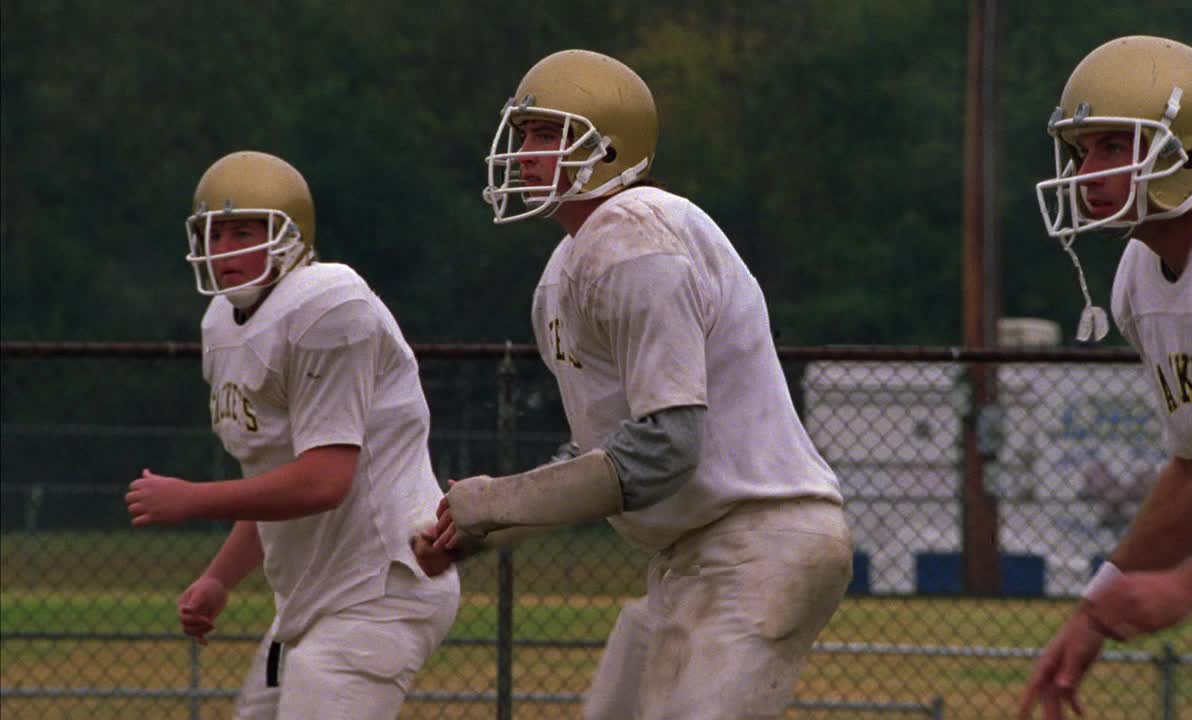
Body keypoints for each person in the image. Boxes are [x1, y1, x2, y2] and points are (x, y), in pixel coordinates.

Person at [412, 49, 853, 719]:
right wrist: (479, 530)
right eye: (525, 133)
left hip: (759, 544)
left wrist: (500, 501)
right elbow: (610, 451)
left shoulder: (635, 235)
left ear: (611, 146)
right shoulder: (567, 269)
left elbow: (665, 450)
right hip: (690, 559)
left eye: (550, 134)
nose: (526, 153)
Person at [125, 150, 460, 719]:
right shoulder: (222, 324)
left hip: (380, 587)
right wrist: (218, 578)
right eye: (214, 234)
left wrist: (192, 499)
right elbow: (272, 482)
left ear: (287, 237)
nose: (225, 250)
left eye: (243, 232)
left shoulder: (328, 305)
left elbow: (323, 481)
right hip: (313, 597)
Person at [1019, 36, 1192, 719]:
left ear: (1188, 149)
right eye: (1080, 151)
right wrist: (1097, 608)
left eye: (1111, 147)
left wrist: (1189, 586)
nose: (1086, 171)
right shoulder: (1139, 277)